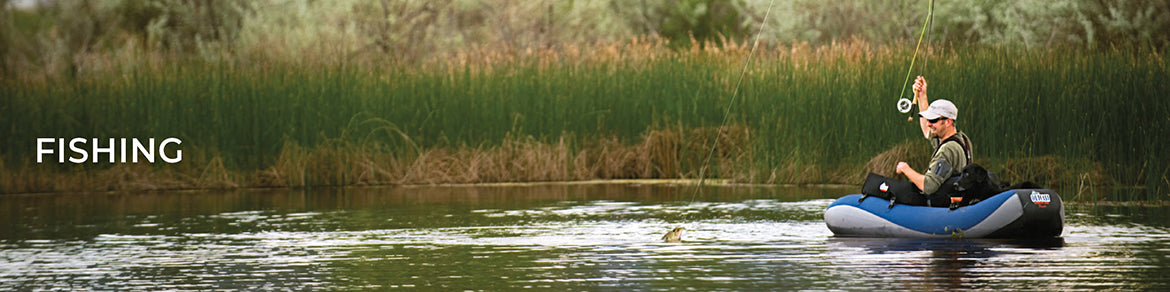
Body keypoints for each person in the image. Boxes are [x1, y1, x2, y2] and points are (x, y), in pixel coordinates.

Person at [895, 76, 973, 197]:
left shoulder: (947, 149)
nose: (928, 123)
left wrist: (905, 168)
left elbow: (928, 186)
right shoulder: (961, 138)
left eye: (933, 120)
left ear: (948, 122)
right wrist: (922, 96)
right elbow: (927, 131)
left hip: (944, 204)